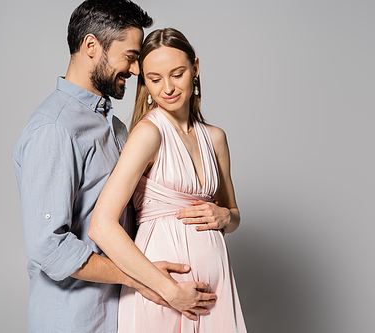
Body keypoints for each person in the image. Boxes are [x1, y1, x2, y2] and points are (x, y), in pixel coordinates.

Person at [12, 2, 219, 332]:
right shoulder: (54, 129)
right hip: (74, 320)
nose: (136, 70)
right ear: (91, 46)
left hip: (125, 313)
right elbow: (49, 247)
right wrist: (145, 279)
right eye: (131, 56)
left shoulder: (116, 127)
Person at [89, 28, 247, 332]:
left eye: (177, 74)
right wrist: (170, 291)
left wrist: (226, 216)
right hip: (165, 294)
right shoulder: (149, 134)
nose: (168, 88)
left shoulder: (215, 138)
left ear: (195, 69)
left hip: (215, 292)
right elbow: (101, 225)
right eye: (155, 78)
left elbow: (234, 216)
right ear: (144, 82)